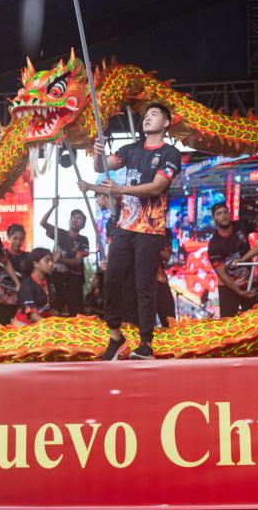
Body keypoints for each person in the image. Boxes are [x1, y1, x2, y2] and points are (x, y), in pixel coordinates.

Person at [80, 102, 182, 360]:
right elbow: (101, 167)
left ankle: (146, 344)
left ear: (166, 123)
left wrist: (120, 190)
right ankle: (116, 336)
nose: (147, 118)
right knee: (111, 279)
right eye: (146, 115)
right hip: (125, 226)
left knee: (144, 285)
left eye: (154, 115)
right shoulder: (131, 149)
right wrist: (98, 153)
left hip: (150, 228)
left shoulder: (171, 153)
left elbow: (157, 187)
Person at [208, 202, 258, 318]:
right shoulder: (214, 245)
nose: (223, 216)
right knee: (228, 323)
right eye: (219, 214)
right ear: (214, 219)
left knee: (255, 320)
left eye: (225, 212)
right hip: (228, 288)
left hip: (249, 282)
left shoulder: (241, 225)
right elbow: (221, 273)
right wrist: (240, 292)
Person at [41, 198, 89, 316]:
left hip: (73, 280)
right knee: (54, 310)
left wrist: (60, 259)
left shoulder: (83, 240)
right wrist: (53, 206)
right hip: (56, 277)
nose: (75, 220)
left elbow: (77, 261)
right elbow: (43, 223)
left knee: (76, 313)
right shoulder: (60, 233)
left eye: (79, 218)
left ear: (83, 225)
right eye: (73, 217)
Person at [0, 223, 30, 326]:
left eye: (21, 239)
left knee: (18, 330)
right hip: (2, 300)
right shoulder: (0, 254)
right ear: (9, 237)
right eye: (15, 238)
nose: (18, 242)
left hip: (19, 302)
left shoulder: (28, 257)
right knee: (1, 330)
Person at [16, 248, 56, 325]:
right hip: (27, 325)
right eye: (47, 261)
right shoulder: (27, 285)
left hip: (43, 321)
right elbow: (32, 315)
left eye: (52, 260)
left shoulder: (50, 280)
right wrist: (50, 325)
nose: (51, 264)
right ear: (35, 264)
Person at [155, 231, 176, 326]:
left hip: (160, 280)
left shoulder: (164, 231)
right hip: (140, 282)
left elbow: (167, 257)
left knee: (170, 324)